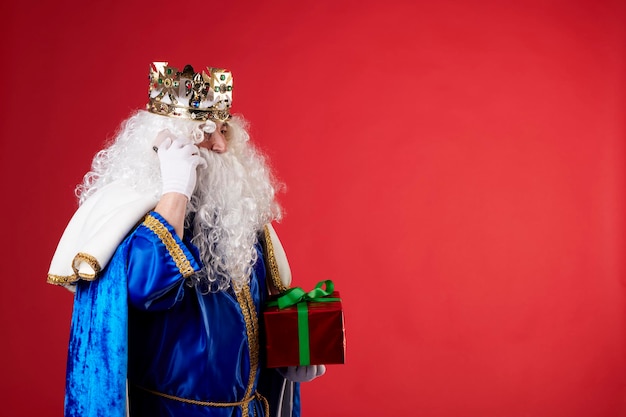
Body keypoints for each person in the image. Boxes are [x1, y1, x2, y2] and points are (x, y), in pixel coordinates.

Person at [47, 61, 325, 417]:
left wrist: (288, 355)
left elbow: (256, 313)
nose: (222, 145)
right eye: (206, 133)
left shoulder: (237, 224)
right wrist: (175, 190)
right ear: (167, 143)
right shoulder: (133, 219)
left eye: (224, 130)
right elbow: (147, 290)